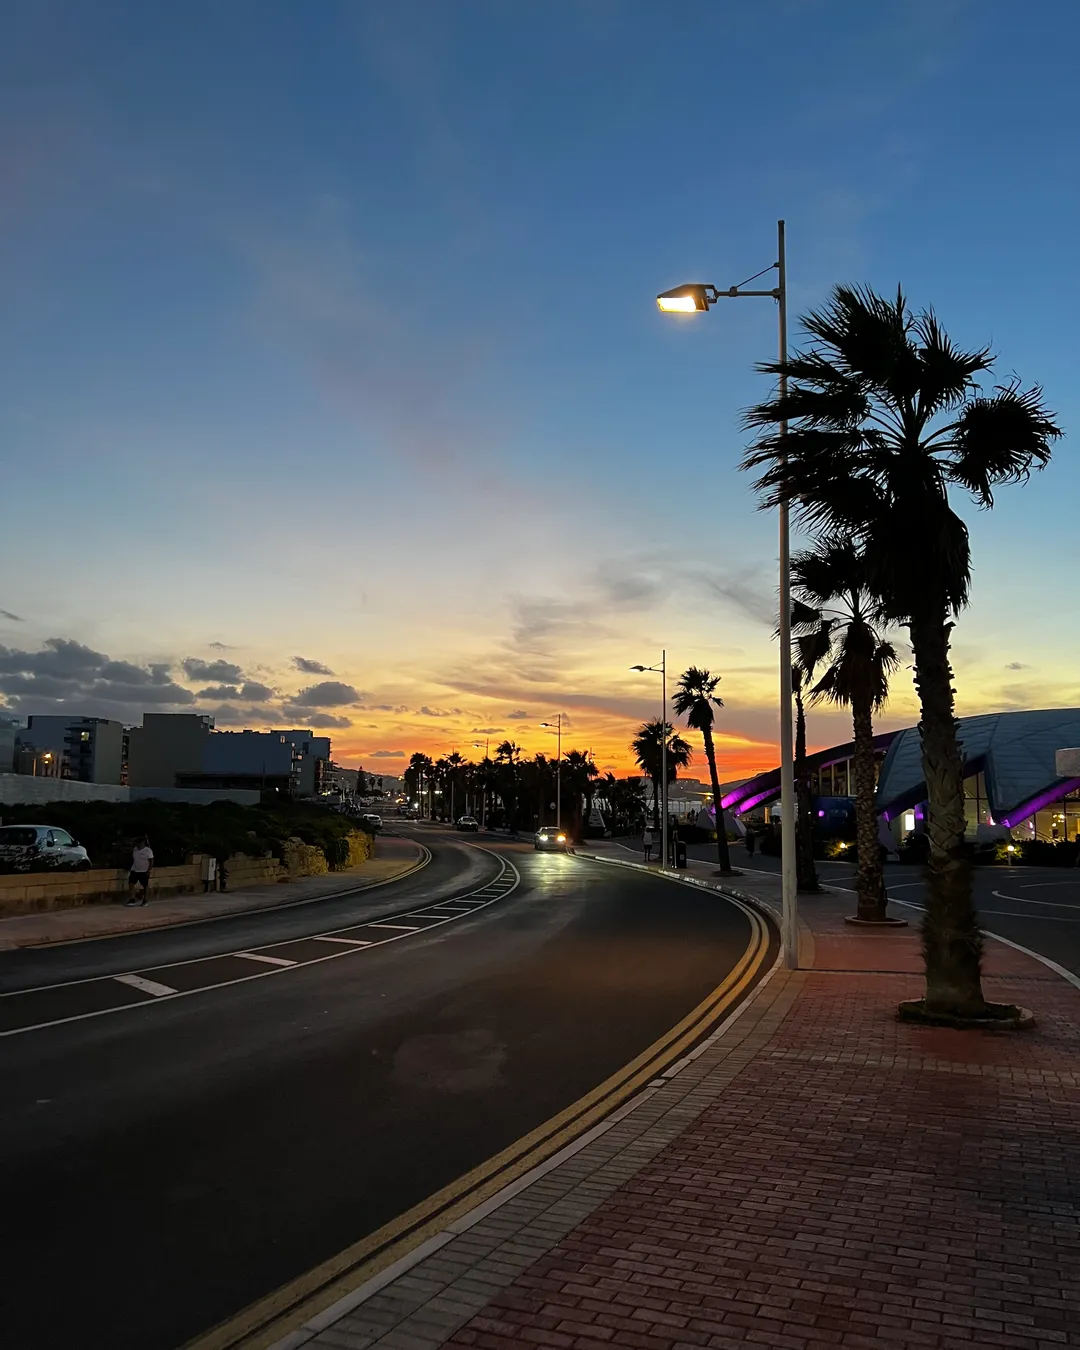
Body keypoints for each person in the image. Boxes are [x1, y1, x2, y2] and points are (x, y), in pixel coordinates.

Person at [126, 835, 154, 906]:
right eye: (138, 842)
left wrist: (149, 870)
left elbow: (151, 861)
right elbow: (134, 858)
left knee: (145, 886)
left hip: (144, 871)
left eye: (140, 842)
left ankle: (145, 900)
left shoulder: (148, 850)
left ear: (143, 843)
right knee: (131, 884)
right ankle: (132, 898)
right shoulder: (135, 849)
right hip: (135, 870)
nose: (139, 844)